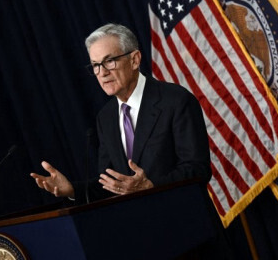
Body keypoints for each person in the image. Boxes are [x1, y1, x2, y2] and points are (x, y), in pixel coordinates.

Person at [30, 23, 211, 201]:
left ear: (135, 60)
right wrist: (72, 190)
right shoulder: (106, 117)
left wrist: (151, 186)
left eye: (109, 61)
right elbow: (111, 183)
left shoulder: (176, 100)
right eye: (95, 65)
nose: (102, 73)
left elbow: (198, 168)